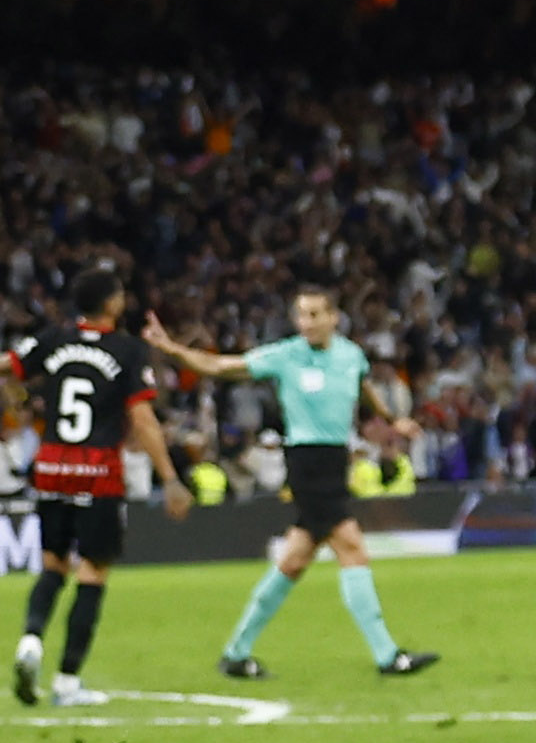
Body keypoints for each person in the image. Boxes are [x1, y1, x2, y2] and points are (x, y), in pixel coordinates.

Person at [143, 291, 440, 678]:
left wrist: (391, 418)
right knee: (351, 546)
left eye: (314, 314)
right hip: (307, 464)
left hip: (335, 462)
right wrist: (172, 349)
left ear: (334, 317)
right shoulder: (285, 356)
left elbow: (362, 385)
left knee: (294, 560)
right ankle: (387, 656)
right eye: (301, 315)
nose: (306, 323)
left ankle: (236, 653)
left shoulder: (351, 355)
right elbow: (219, 366)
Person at [7, 268, 190, 706]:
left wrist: (21, 399)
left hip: (52, 467)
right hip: (98, 471)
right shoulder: (127, 350)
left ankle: (30, 640)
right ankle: (67, 682)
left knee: (53, 565)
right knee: (92, 572)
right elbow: (143, 419)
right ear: (111, 303)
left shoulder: (54, 339)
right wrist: (169, 477)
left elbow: (8, 366)